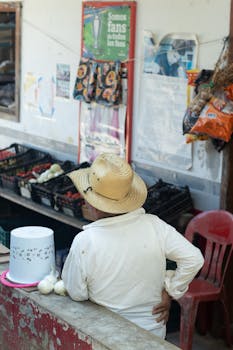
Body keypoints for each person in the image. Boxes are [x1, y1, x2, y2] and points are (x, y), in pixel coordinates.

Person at [62, 153, 204, 339]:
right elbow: (194, 258)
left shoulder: (85, 241)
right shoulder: (154, 225)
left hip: (106, 335)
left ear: (94, 205)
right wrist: (169, 289)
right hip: (151, 333)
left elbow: (76, 293)